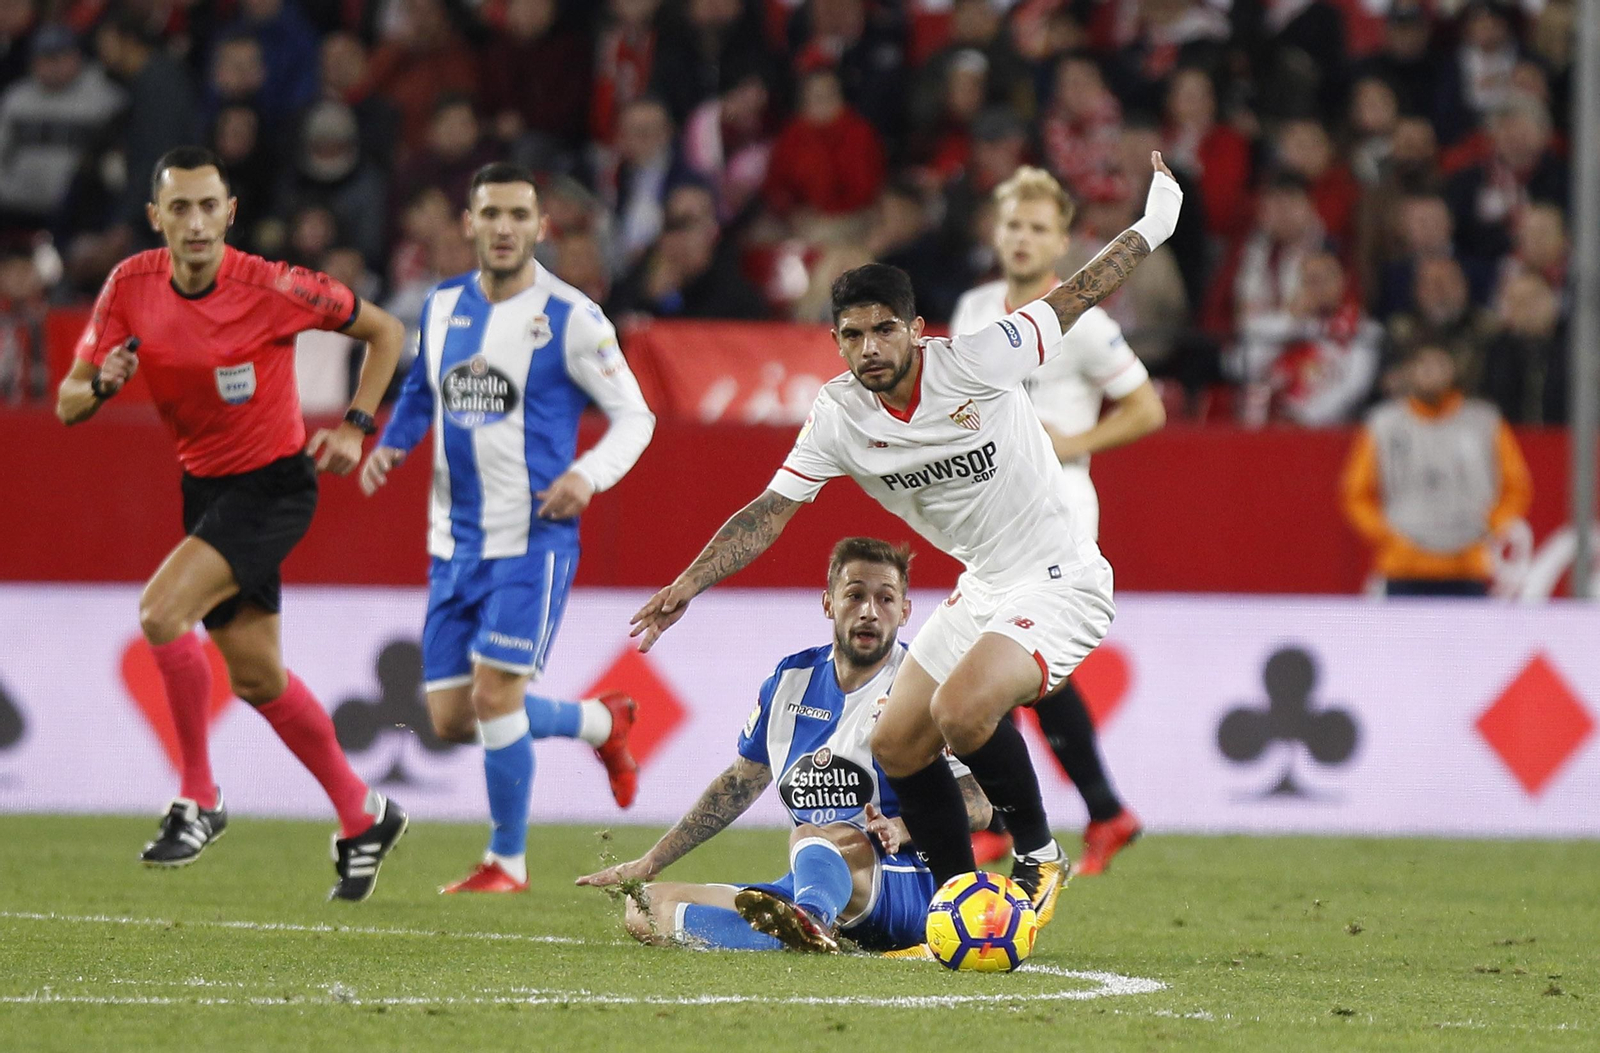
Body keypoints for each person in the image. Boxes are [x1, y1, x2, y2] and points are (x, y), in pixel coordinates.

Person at [631, 154, 1183, 940]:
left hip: (1061, 575)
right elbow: (770, 509)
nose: (870, 347)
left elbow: (1079, 292)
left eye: (885, 328)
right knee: (897, 741)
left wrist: (1154, 223)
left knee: (962, 713)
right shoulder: (838, 415)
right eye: (852, 335)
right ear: (835, 342)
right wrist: (688, 583)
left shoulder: (979, 359)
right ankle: (957, 899)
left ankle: (1039, 854)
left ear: (916, 329)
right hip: (985, 581)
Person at [56, 146, 410, 901]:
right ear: (155, 218)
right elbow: (68, 401)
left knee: (159, 612)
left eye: (207, 205)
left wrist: (353, 425)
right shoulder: (129, 285)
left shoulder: (275, 285)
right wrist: (102, 386)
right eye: (178, 208)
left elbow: (387, 331)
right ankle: (363, 811)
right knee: (257, 676)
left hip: (275, 487)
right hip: (206, 491)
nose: (194, 222)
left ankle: (200, 796)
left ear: (229, 213)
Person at [360, 163, 656, 894]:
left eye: (517, 215)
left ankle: (507, 861)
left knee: (496, 697)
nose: (502, 228)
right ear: (468, 223)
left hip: (534, 540)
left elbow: (636, 416)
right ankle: (600, 722)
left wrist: (587, 474)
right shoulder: (441, 306)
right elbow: (423, 391)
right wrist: (394, 442)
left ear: (540, 226)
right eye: (489, 213)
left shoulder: (574, 318)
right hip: (452, 544)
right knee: (454, 717)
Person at [576, 537, 990, 953]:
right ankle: (803, 931)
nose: (869, 611)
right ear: (828, 603)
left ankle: (807, 921)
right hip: (815, 879)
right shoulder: (791, 681)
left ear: (905, 611)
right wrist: (651, 861)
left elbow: (978, 805)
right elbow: (739, 784)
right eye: (855, 595)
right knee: (645, 907)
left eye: (885, 599)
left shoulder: (922, 688)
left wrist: (901, 829)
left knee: (817, 835)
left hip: (904, 882)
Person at [949, 165, 1160, 875]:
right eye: (1013, 224)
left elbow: (1147, 407)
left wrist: (1073, 442)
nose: (1023, 237)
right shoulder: (975, 309)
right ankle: (1100, 810)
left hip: (1058, 511)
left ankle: (1003, 823)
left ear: (1063, 240)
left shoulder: (1086, 323)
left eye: (1039, 227)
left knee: (1001, 662)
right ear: (995, 231)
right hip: (989, 515)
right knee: (1020, 670)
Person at [1341, 345, 1532, 597]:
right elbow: (1356, 493)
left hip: (1467, 564)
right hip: (1404, 566)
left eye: (1439, 365)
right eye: (1423, 366)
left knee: (1465, 637)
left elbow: (1516, 485)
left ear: (1454, 371)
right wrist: (1388, 535)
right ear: (1410, 372)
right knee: (1405, 637)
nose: (1431, 374)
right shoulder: (1384, 425)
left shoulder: (1483, 422)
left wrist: (1489, 525)